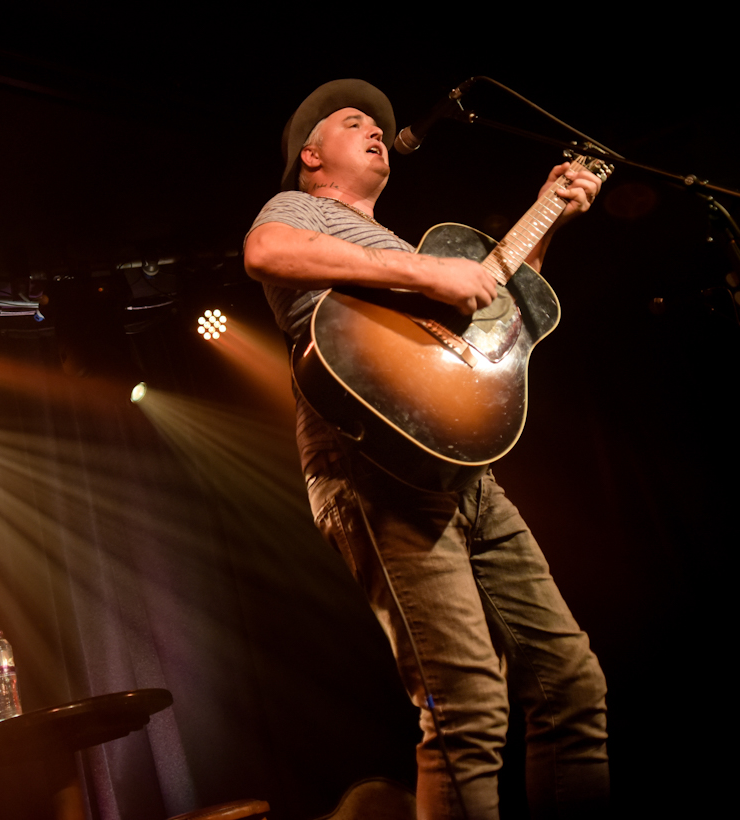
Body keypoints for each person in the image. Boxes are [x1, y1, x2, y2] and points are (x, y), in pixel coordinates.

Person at [242, 79, 609, 820]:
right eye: (355, 122)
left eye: (380, 121)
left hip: (462, 468)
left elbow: (504, 316)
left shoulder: (403, 247)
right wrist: (429, 270)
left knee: (570, 682)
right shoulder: (298, 211)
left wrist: (550, 213)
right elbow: (264, 250)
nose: (378, 127)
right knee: (468, 706)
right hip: (370, 461)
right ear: (311, 156)